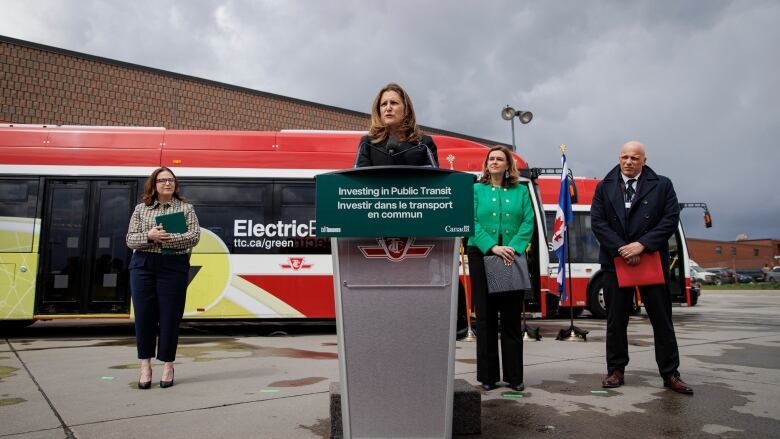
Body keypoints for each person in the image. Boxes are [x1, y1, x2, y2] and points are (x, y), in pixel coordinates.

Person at [590, 140, 693, 395]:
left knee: (662, 320)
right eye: (624, 157)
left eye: (634, 158)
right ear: (619, 158)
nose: (628, 162)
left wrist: (642, 245)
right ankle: (615, 371)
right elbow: (598, 222)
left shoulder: (663, 185)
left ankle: (670, 373)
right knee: (616, 320)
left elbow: (670, 219)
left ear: (644, 160)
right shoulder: (604, 187)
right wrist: (623, 249)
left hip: (650, 260)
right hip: (616, 261)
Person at [467, 146, 534, 391]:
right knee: (485, 318)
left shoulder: (521, 191)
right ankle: (488, 377)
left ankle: (514, 377)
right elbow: (470, 221)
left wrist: (514, 248)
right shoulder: (475, 190)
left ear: (508, 165)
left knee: (511, 319)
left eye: (500, 159)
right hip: (482, 254)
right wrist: (492, 247)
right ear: (486, 164)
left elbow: (529, 222)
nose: (495, 162)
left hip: (512, 256)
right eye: (491, 159)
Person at [126, 167, 200, 389]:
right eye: (162, 180)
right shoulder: (141, 209)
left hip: (173, 266)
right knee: (144, 317)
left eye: (171, 180)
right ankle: (145, 366)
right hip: (143, 265)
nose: (167, 183)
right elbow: (130, 239)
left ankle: (168, 365)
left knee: (169, 317)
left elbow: (194, 237)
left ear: (175, 185)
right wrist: (149, 236)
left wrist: (164, 239)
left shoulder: (186, 209)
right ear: (154, 184)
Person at [354, 82, 439, 168]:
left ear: (406, 109)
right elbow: (360, 179)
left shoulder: (424, 143)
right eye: (384, 104)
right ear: (379, 111)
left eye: (394, 103)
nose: (388, 108)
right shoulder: (367, 143)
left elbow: (434, 179)